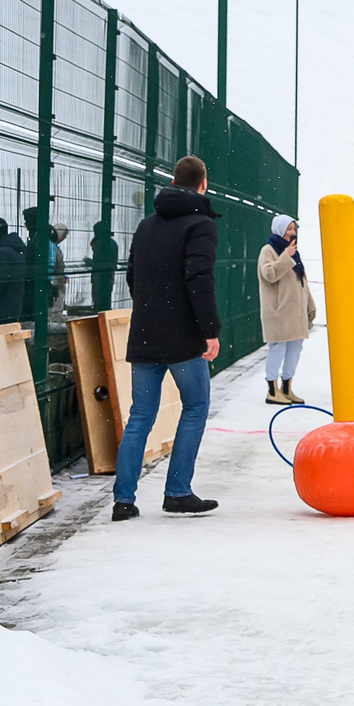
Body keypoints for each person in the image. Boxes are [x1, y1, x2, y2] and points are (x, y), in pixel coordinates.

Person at [112, 155, 221, 519]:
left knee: (140, 415)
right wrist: (209, 331)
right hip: (183, 337)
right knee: (195, 406)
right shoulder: (200, 224)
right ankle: (177, 491)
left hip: (145, 331)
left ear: (174, 181)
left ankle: (123, 501)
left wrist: (152, 306)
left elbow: (132, 275)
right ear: (202, 183)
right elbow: (199, 279)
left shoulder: (146, 224)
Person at [257, 212, 316, 405]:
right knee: (278, 347)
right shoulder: (269, 250)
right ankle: (272, 390)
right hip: (279, 311)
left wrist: (310, 304)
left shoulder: (293, 251)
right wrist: (285, 257)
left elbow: (301, 281)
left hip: (295, 312)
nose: (292, 232)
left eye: (293, 229)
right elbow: (268, 274)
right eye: (289, 229)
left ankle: (287, 387)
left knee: (295, 347)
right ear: (280, 230)